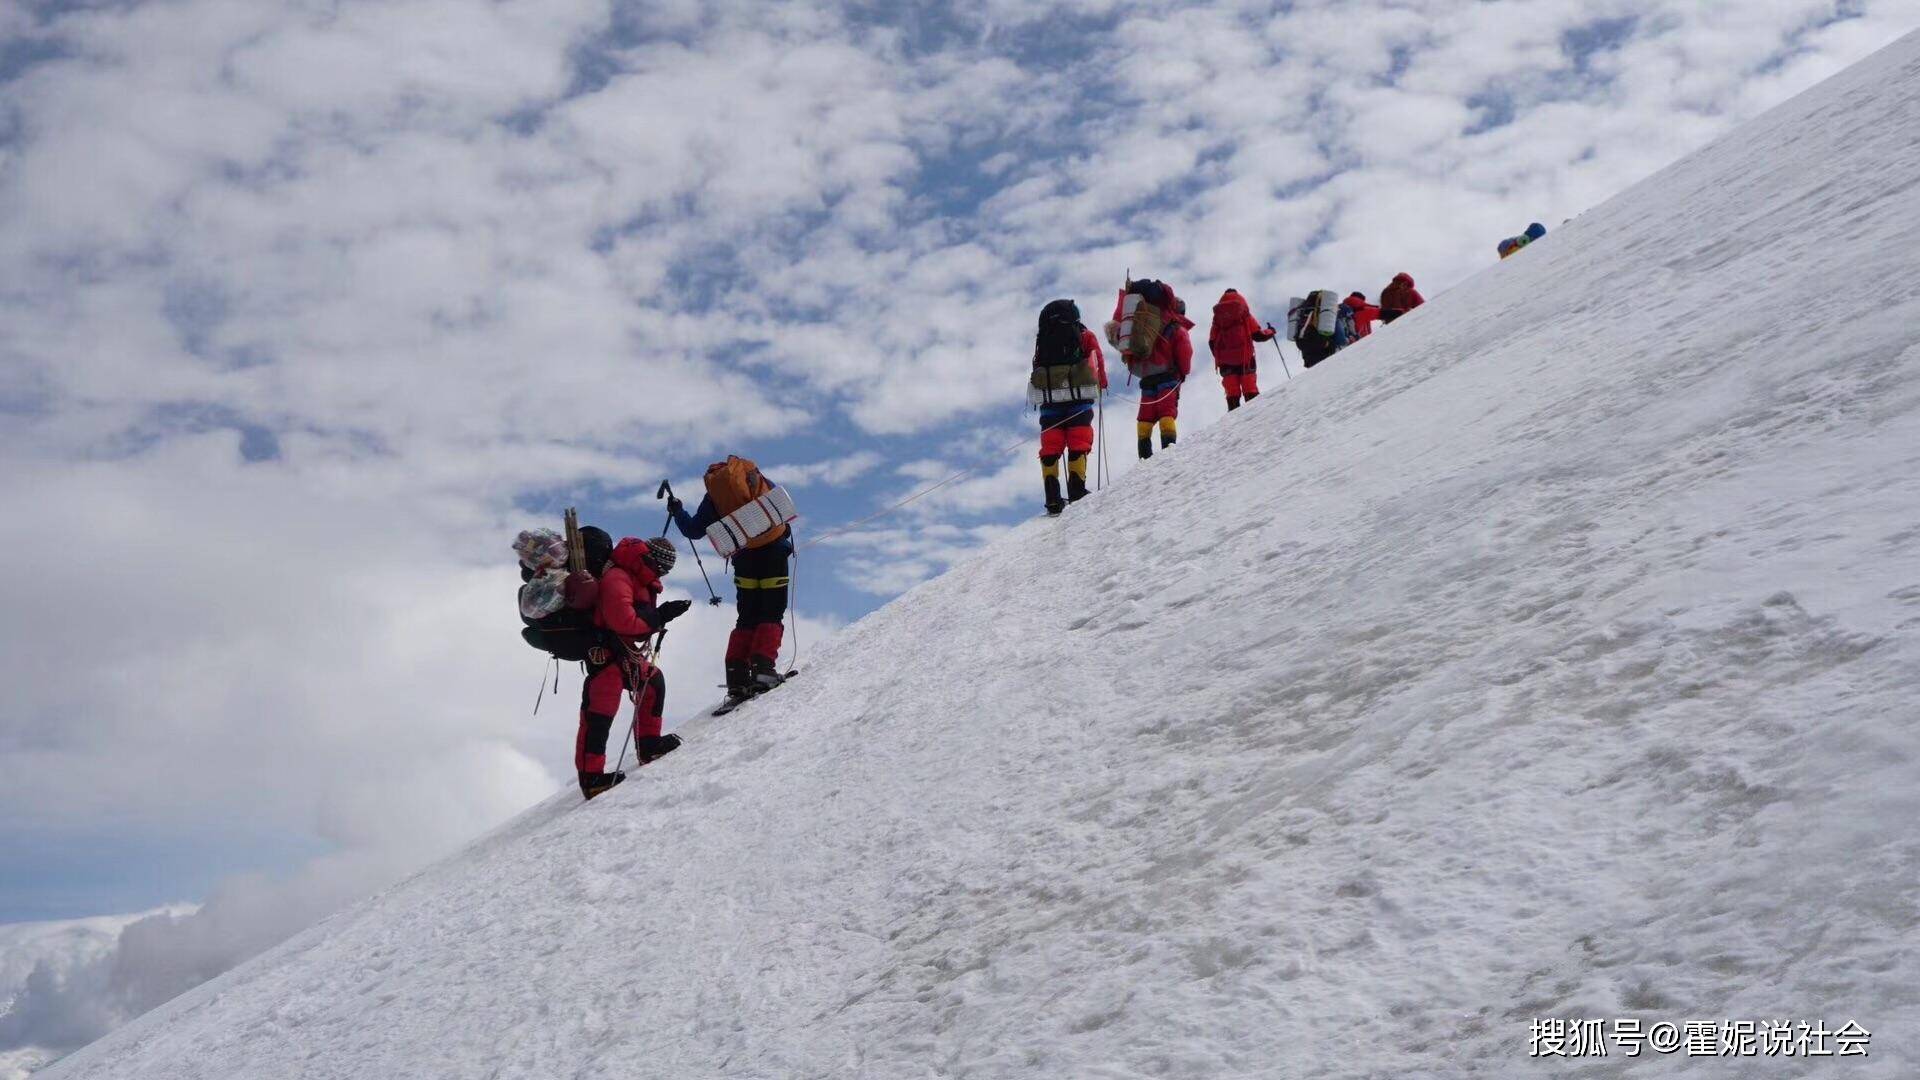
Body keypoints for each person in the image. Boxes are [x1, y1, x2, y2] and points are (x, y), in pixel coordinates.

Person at [670, 460, 793, 706]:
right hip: (774, 555)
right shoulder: (755, 481)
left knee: (747, 617)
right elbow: (781, 508)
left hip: (744, 561)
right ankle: (764, 669)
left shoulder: (715, 497)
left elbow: (694, 530)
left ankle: (737, 678)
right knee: (771, 612)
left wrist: (677, 512)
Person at [578, 534, 689, 799]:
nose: (663, 573)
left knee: (653, 682)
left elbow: (634, 623)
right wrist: (660, 615)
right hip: (606, 655)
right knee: (600, 713)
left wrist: (659, 616)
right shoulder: (619, 578)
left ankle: (649, 745)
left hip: (622, 654)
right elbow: (624, 622)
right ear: (654, 561)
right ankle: (592, 778)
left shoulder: (636, 577)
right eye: (664, 567)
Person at [1030, 299, 1108, 514]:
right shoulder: (1085, 335)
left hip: (1050, 401)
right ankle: (1077, 489)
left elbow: (1037, 365)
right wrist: (1102, 383)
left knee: (1051, 445)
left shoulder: (1043, 338)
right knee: (1078, 439)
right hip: (1079, 398)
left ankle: (1052, 497)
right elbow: (1096, 359)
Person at [1117, 291, 1193, 458]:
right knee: (1167, 413)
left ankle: (1144, 457)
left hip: (1147, 379)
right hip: (1168, 377)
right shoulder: (1177, 329)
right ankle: (1168, 452)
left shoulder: (1149, 325)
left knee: (1145, 418)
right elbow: (1185, 352)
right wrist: (1183, 372)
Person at [1207, 289, 1275, 411]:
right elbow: (1259, 336)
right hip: (1245, 358)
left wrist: (1222, 356)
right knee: (1250, 388)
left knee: (1231, 392)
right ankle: (1257, 416)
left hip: (1226, 362)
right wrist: (1271, 331)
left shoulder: (1218, 318)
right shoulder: (1244, 312)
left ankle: (1234, 422)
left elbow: (1212, 342)